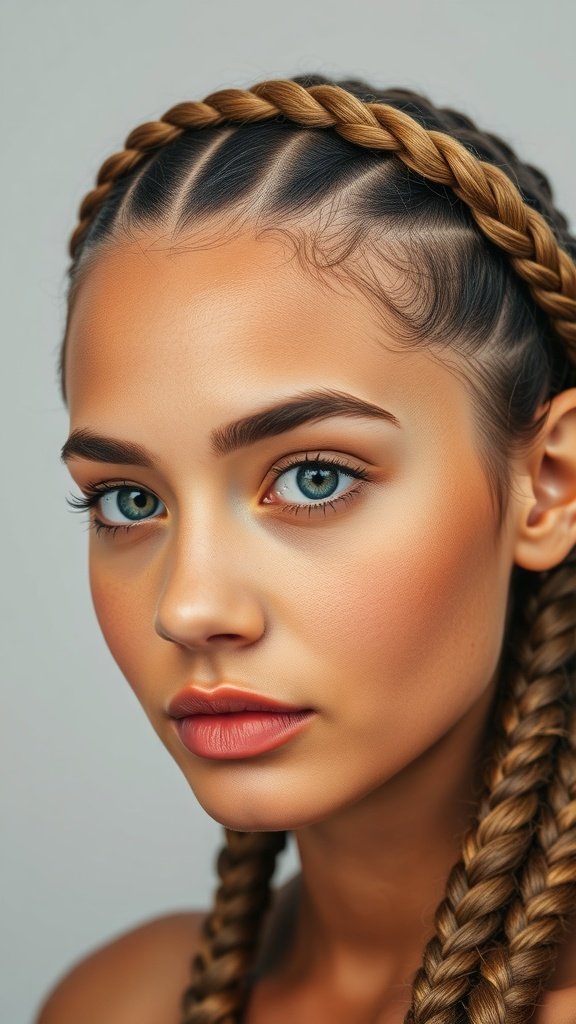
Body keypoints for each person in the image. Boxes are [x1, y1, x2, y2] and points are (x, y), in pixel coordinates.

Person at [38, 74, 576, 1024]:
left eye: (314, 479)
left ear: (549, 485)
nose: (189, 608)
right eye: (130, 500)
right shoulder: (115, 1002)